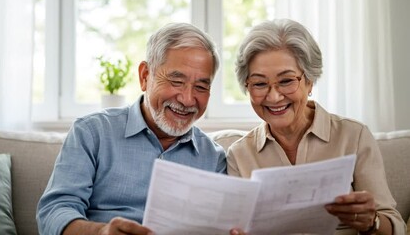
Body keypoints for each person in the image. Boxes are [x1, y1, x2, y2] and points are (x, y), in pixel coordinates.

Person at [37, 23, 245, 235]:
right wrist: (101, 232)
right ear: (145, 76)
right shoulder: (92, 132)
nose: (187, 99)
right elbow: (54, 212)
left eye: (201, 87)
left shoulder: (214, 158)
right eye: (176, 81)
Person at [227, 19, 406, 235]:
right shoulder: (238, 155)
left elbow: (395, 227)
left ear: (309, 81)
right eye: (259, 83)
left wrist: (371, 222)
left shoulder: (354, 136)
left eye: (286, 81)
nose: (273, 96)